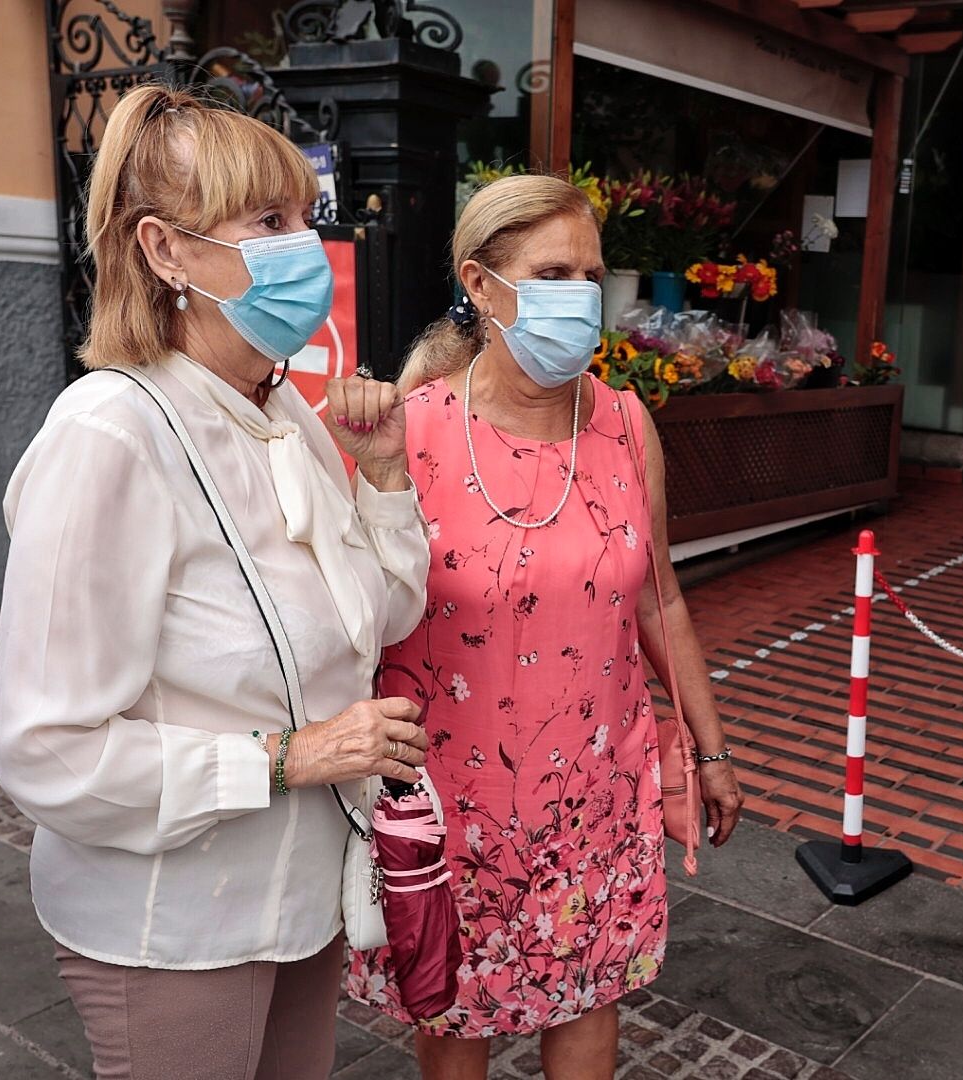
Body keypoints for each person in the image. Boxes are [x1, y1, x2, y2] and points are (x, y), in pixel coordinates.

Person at [0, 83, 432, 1080]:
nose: (303, 247)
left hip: (304, 902)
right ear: (165, 250)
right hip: (174, 927)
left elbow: (387, 613)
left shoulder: (289, 417)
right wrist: (288, 757)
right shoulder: (109, 435)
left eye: (302, 218)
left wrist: (388, 477)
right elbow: (46, 753)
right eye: (266, 220)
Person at [343, 174, 744, 1080]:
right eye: (554, 271)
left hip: (596, 790)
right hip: (452, 798)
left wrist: (712, 752)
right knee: (453, 1012)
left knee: (590, 999)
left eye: (592, 274)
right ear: (481, 285)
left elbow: (661, 598)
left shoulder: (624, 422)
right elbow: (351, 613)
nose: (581, 295)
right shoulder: (408, 432)